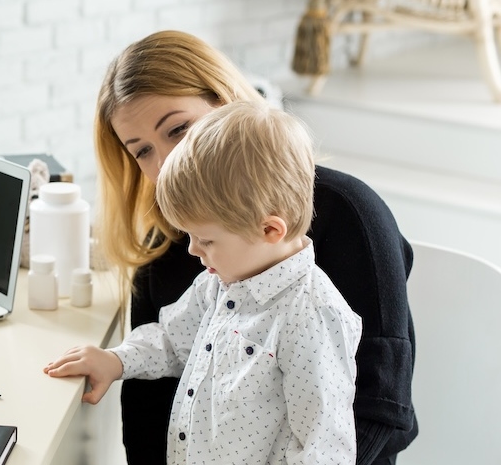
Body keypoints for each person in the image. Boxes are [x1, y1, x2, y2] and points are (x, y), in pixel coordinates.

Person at [80, 30, 416, 465]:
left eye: (178, 129)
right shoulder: (174, 243)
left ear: (225, 101)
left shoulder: (350, 217)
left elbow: (376, 411)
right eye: (142, 150)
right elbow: (153, 386)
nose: (164, 164)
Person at [46, 100, 364, 463]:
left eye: (207, 240)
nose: (193, 250)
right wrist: (116, 361)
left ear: (270, 229)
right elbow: (170, 339)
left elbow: (323, 448)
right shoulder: (218, 283)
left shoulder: (312, 317)